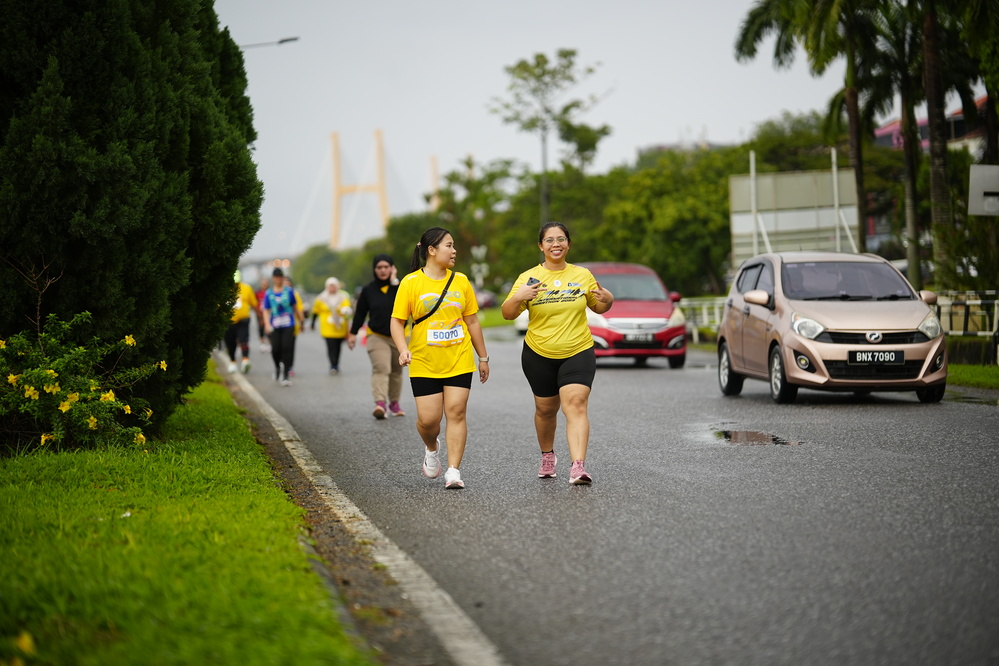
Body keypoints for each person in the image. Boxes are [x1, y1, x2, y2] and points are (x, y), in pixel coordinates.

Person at [501, 221, 614, 485]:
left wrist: (608, 299)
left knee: (575, 404)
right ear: (541, 246)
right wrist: (519, 297)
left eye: (561, 239)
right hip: (539, 353)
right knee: (545, 410)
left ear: (569, 244)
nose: (556, 244)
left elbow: (599, 306)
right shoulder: (528, 278)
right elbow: (508, 314)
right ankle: (547, 455)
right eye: (549, 240)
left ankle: (578, 467)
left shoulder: (582, 275)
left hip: (578, 350)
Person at [390, 227, 489, 490]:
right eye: (449, 245)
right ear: (431, 250)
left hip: (459, 357)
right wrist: (403, 349)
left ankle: (453, 471)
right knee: (428, 421)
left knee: (456, 412)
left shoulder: (461, 281)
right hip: (424, 360)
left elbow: (472, 321)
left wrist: (483, 357)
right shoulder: (411, 283)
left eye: (454, 245)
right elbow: (397, 322)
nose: (454, 250)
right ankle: (432, 447)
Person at [348, 255, 405, 419]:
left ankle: (394, 403)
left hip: (399, 337)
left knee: (396, 371)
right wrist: (353, 333)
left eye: (386, 267)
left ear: (392, 269)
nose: (383, 270)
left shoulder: (401, 287)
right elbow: (360, 313)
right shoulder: (368, 290)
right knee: (381, 368)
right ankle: (380, 403)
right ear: (374, 270)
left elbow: (410, 306)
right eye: (379, 267)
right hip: (376, 336)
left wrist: (395, 282)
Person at [262, 267, 304, 386]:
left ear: (282, 278)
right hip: (275, 325)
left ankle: (286, 375)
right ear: (273, 278)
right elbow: (266, 310)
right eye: (276, 277)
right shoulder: (269, 293)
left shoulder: (289, 291)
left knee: (287, 348)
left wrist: (301, 320)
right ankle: (277, 367)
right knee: (275, 349)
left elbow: (295, 307)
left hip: (288, 324)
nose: (278, 279)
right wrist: (267, 324)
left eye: (280, 277)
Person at [311, 277, 353, 374]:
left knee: (337, 346)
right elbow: (315, 311)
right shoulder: (321, 298)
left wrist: (345, 311)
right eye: (330, 286)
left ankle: (336, 363)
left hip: (340, 326)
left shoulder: (342, 297)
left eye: (333, 286)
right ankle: (333, 365)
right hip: (327, 327)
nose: (332, 288)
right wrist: (313, 323)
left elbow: (347, 309)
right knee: (330, 346)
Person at [225, 270, 258, 374]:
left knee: (244, 340)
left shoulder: (246, 288)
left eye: (237, 282)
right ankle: (232, 362)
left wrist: (260, 315)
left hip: (243, 320)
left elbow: (254, 303)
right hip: (228, 321)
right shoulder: (225, 289)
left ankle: (245, 360)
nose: (235, 284)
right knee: (230, 343)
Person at [255, 277, 271, 353]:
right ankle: (262, 344)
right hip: (260, 313)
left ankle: (270, 343)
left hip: (269, 313)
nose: (264, 284)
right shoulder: (257, 293)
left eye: (266, 283)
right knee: (261, 328)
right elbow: (255, 303)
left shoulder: (270, 292)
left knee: (269, 328)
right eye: (263, 283)